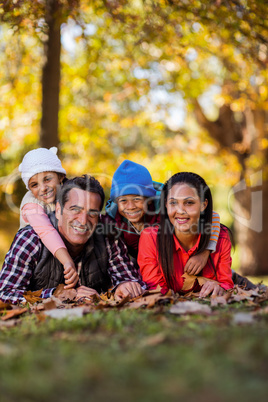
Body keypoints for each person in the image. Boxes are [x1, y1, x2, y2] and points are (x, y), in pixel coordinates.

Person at [0, 175, 144, 304]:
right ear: (58, 210)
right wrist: (56, 295)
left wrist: (125, 285)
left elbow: (132, 280)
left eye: (92, 213)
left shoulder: (108, 237)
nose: (83, 221)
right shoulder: (30, 239)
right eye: (75, 209)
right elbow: (5, 293)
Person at [105, 160, 221, 274]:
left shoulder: (165, 208)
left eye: (137, 199)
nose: (130, 207)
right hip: (142, 263)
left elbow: (213, 216)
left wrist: (205, 252)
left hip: (176, 258)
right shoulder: (114, 220)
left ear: (149, 199)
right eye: (123, 201)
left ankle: (232, 275)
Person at [138, 172, 234, 297]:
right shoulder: (150, 237)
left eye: (189, 203)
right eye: (173, 203)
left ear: (203, 205)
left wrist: (219, 287)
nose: (180, 210)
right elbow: (155, 288)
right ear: (166, 205)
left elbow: (226, 283)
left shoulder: (221, 237)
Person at [18, 147, 79, 289]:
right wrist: (67, 261)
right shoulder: (31, 204)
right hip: (35, 259)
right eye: (34, 185)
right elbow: (46, 232)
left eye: (47, 179)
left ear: (60, 176)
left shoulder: (67, 193)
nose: (43, 188)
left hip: (58, 256)